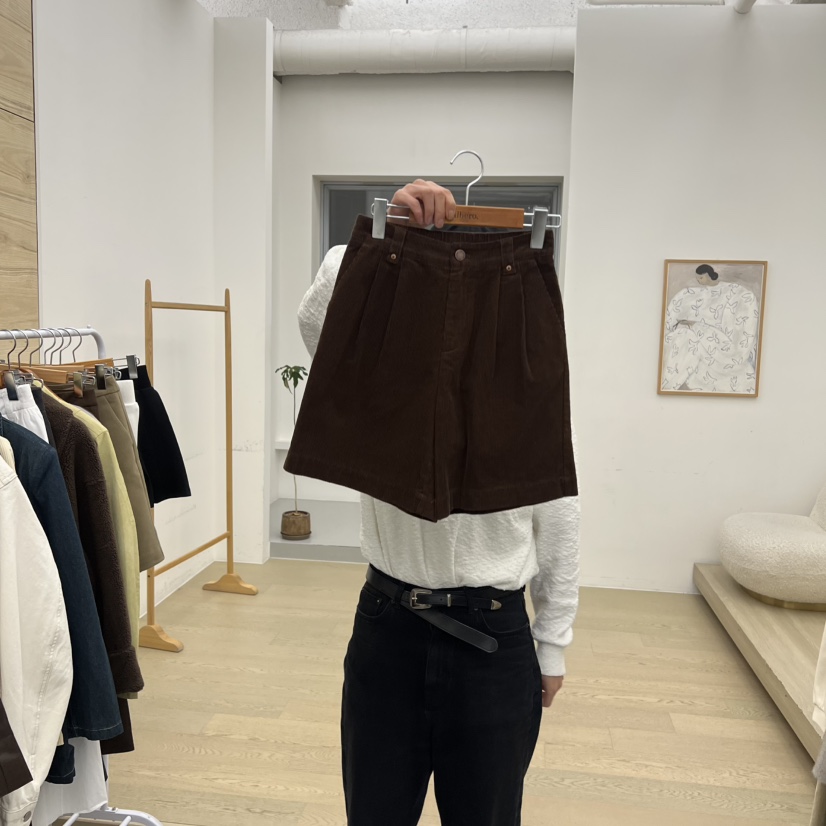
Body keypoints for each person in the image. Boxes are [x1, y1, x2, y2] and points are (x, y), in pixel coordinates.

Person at [296, 179, 580, 826]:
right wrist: (387, 237)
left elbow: (560, 509)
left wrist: (553, 640)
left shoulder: (523, 375)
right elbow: (317, 319)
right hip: (389, 624)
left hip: (493, 636)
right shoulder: (379, 380)